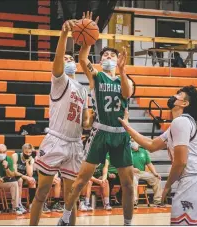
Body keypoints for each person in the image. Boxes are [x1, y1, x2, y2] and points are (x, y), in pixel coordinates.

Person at [58, 11, 134, 226]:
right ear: (100, 61)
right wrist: (89, 36)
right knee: (81, 179)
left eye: (112, 56)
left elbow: (127, 94)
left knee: (128, 184)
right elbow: (82, 58)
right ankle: (64, 218)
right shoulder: (96, 77)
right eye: (105, 56)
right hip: (100, 132)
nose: (108, 58)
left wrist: (123, 69)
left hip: (120, 135)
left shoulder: (124, 79)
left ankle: (128, 222)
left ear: (118, 60)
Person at [118, 85, 197, 225]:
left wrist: (167, 186)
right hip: (196, 181)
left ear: (185, 103)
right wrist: (127, 126)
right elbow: (151, 145)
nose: (174, 96)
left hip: (194, 181)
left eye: (179, 95)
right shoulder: (179, 124)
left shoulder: (181, 122)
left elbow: (181, 162)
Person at [29, 13, 91, 226]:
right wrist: (64, 35)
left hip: (75, 143)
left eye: (70, 59)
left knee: (70, 197)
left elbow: (86, 121)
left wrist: (91, 121)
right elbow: (58, 61)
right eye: (65, 58)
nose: (67, 60)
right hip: (56, 139)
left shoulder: (83, 91)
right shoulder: (60, 81)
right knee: (42, 192)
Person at [130, 139, 163, 208]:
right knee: (133, 180)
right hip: (132, 173)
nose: (134, 142)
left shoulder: (143, 151)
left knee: (156, 178)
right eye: (132, 141)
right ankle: (134, 202)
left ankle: (158, 201)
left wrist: (155, 173)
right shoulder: (127, 151)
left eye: (134, 140)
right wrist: (132, 169)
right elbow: (124, 165)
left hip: (142, 172)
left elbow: (149, 163)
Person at [12, 143, 36, 213]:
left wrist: (27, 162)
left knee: (32, 181)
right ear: (22, 151)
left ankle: (31, 204)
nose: (28, 154)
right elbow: (14, 172)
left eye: (30, 152)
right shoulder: (15, 156)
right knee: (20, 180)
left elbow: (30, 174)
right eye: (26, 152)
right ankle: (18, 203)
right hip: (14, 176)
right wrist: (26, 177)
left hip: (24, 177)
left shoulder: (31, 159)